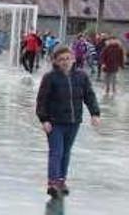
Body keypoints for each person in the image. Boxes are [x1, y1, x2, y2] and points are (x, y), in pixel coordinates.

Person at [36, 46, 101, 198]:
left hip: (74, 122)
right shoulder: (50, 77)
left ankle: (61, 180)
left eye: (67, 58)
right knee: (56, 152)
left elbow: (89, 96)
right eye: (61, 59)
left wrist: (95, 113)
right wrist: (44, 119)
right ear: (56, 62)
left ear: (73, 59)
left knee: (66, 152)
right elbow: (42, 100)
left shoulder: (81, 76)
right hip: (55, 122)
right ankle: (52, 183)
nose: (65, 62)